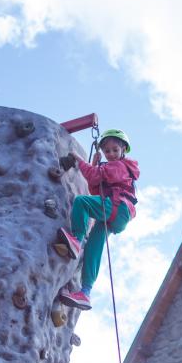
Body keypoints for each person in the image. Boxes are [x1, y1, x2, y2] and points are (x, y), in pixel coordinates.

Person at [55, 129, 140, 310]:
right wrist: (94, 166)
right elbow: (96, 189)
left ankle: (76, 240)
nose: (111, 154)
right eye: (107, 151)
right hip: (118, 214)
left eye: (115, 150)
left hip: (118, 206)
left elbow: (94, 177)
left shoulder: (121, 165)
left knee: (81, 202)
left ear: (123, 149)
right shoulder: (115, 168)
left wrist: (80, 160)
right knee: (94, 246)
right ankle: (85, 292)